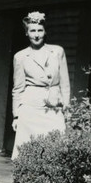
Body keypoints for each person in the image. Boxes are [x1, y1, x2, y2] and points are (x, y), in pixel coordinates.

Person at [11, 11, 70, 160]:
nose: (36, 35)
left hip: (54, 107)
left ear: (45, 31)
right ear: (27, 33)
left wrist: (67, 108)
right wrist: (16, 116)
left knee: (57, 150)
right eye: (32, 31)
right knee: (27, 152)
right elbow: (18, 89)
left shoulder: (57, 51)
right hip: (30, 108)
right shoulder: (20, 56)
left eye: (40, 30)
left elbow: (65, 83)